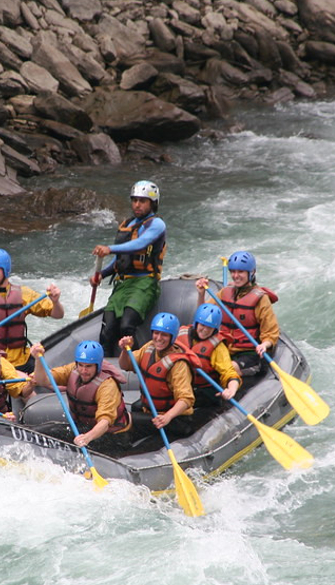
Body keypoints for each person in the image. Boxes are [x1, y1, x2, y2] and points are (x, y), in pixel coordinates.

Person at [90, 180, 167, 356]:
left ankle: (138, 362)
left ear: (152, 203)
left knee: (126, 325)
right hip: (123, 284)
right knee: (107, 330)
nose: (137, 204)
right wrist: (102, 274)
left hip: (145, 283)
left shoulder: (157, 225)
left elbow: (139, 244)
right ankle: (106, 369)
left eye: (142, 201)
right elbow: (120, 259)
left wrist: (109, 248)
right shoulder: (127, 224)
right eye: (134, 200)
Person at [0, 247, 64, 374]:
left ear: (5, 270)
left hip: (22, 360)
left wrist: (55, 301)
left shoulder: (24, 294)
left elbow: (58, 315)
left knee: (49, 378)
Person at [29, 340, 131, 448]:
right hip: (84, 427)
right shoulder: (73, 369)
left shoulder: (107, 386)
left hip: (112, 436)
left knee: (55, 432)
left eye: (88, 366)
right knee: (49, 430)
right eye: (80, 365)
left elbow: (104, 422)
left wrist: (86, 438)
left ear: (98, 365)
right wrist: (39, 360)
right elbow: (42, 380)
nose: (83, 370)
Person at [196, 250, 279, 377]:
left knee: (229, 368)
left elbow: (271, 333)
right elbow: (203, 315)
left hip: (248, 353)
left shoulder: (261, 299)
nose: (235, 276)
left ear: (251, 273)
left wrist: (264, 344)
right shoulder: (225, 292)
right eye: (233, 272)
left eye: (240, 272)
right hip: (223, 348)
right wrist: (201, 293)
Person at [117, 311, 196, 439]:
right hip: (152, 410)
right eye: (156, 333)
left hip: (175, 419)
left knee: (126, 419)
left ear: (173, 336)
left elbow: (186, 399)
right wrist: (125, 351)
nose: (158, 338)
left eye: (164, 335)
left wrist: (167, 417)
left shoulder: (179, 365)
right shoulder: (149, 347)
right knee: (136, 407)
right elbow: (125, 365)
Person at [175, 302, 242, 410]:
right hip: (180, 385)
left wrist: (231, 389)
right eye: (202, 325)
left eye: (210, 327)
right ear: (196, 323)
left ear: (215, 329)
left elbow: (229, 373)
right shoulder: (181, 333)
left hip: (203, 390)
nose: (205, 330)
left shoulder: (217, 347)